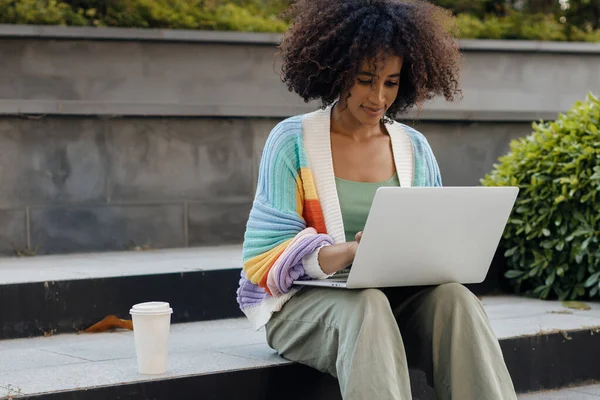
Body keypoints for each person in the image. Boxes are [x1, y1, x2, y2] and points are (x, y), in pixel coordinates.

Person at [236, 0, 518, 399]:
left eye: (391, 81)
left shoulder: (414, 148)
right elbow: (263, 257)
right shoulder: (291, 143)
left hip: (395, 303)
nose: (379, 97)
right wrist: (351, 252)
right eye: (366, 79)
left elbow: (431, 238)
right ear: (337, 71)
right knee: (367, 304)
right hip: (305, 308)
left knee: (458, 301)